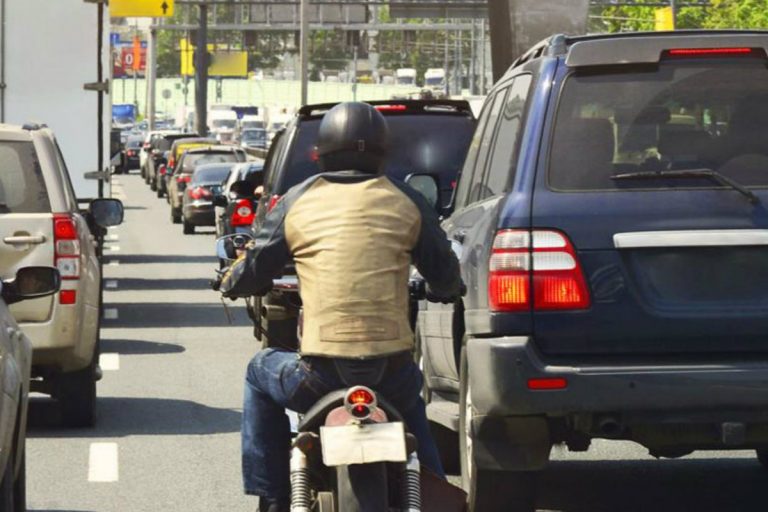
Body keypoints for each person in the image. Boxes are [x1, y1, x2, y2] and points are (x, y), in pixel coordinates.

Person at [219, 101, 462, 512]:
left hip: (318, 375)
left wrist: (230, 281)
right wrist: (447, 288)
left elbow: (255, 269)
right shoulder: (407, 200)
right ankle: (437, 496)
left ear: (321, 153)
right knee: (416, 422)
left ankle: (274, 495)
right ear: (383, 152)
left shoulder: (297, 200)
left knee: (259, 372)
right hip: (392, 373)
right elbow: (445, 273)